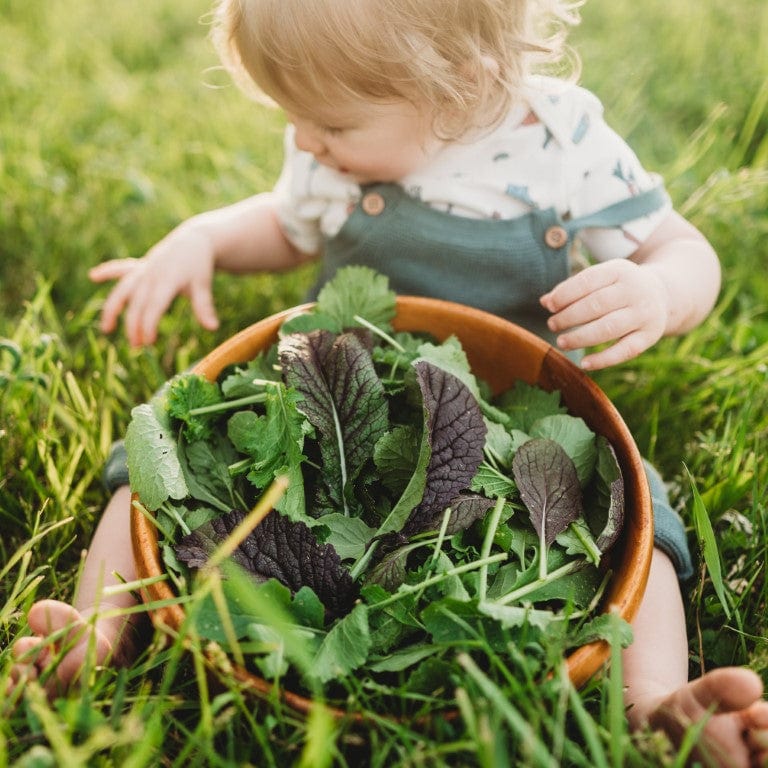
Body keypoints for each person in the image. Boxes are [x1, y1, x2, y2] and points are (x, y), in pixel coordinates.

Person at [12, 0, 768, 764]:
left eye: (331, 127)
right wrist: (203, 237)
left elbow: (681, 246)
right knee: (159, 452)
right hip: (343, 389)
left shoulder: (561, 145)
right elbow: (287, 224)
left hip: (511, 417)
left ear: (459, 89)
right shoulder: (335, 146)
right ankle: (98, 626)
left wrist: (661, 291)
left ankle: (654, 702)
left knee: (636, 512)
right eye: (295, 117)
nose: (306, 141)